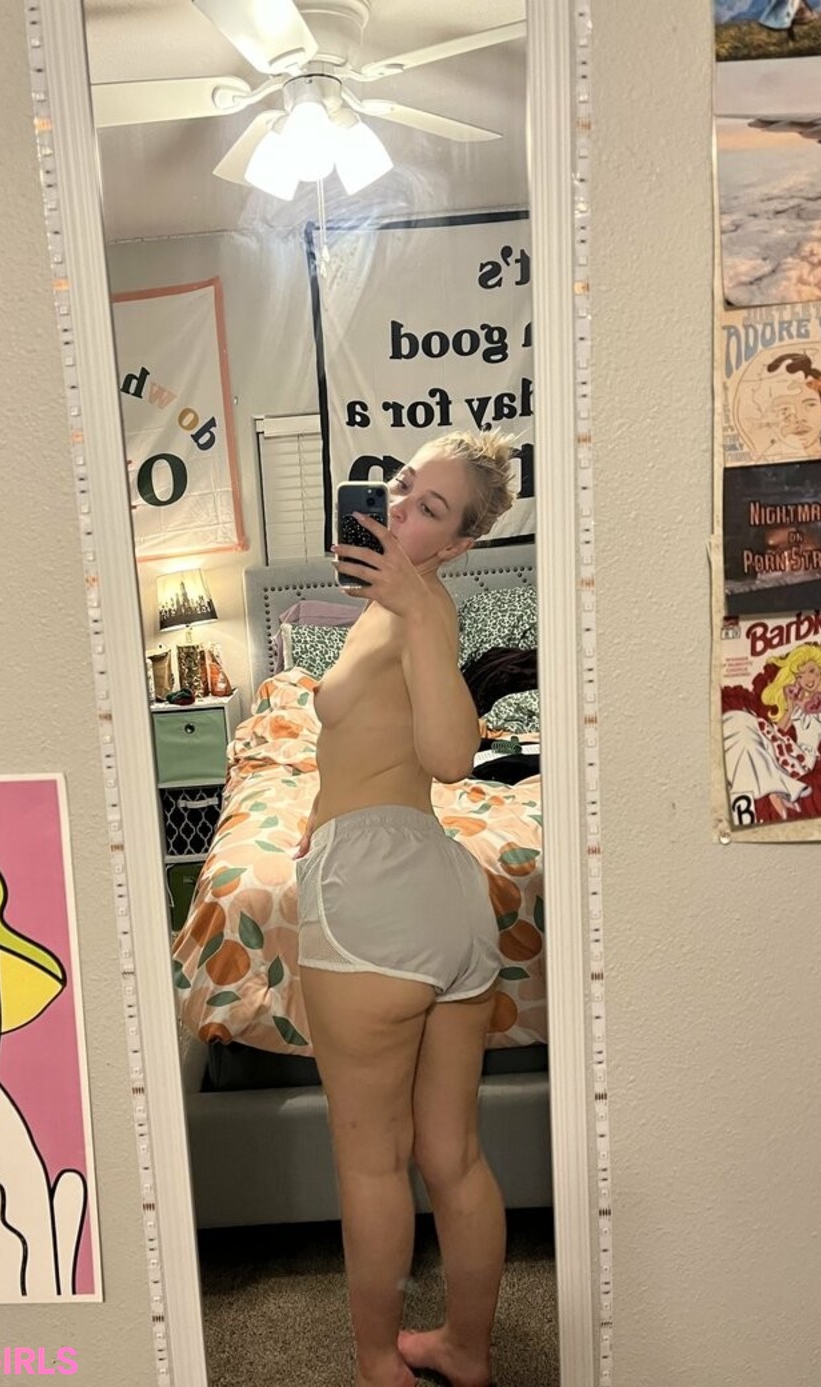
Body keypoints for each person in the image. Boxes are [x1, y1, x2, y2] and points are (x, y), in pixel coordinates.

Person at [292, 430, 518, 1387]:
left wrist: (420, 610)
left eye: (430, 508)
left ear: (458, 544)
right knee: (451, 1155)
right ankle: (464, 1349)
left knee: (374, 1164)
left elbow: (452, 754)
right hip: (442, 893)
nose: (399, 508)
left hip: (376, 897)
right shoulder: (392, 607)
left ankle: (378, 1366)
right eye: (401, 485)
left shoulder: (424, 607)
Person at [722, 642, 821, 821]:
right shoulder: (799, 705)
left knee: (746, 734)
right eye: (800, 676)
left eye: (811, 671)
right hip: (784, 749)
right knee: (739, 720)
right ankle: (773, 791)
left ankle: (772, 791)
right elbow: (779, 730)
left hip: (801, 759)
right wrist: (790, 707)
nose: (807, 679)